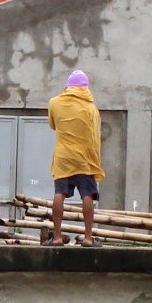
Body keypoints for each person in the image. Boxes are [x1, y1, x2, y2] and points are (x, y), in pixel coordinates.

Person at [47, 69, 104, 246]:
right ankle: (88, 238)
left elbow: (53, 125)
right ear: (85, 87)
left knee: (59, 193)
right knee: (87, 195)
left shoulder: (54, 102)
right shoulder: (91, 108)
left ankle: (57, 237)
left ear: (68, 86)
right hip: (84, 158)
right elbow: (95, 136)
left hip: (63, 157)